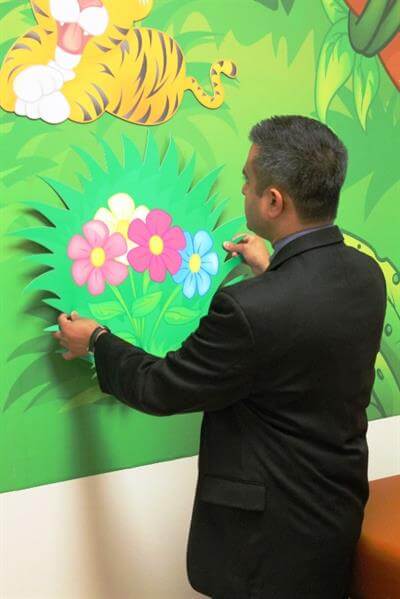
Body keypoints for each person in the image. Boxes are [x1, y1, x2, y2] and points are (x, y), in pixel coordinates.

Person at [54, 115, 386, 599]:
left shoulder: (250, 309)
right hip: (334, 514)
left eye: (249, 182)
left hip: (266, 542)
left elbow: (161, 386)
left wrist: (98, 339)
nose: (243, 189)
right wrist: (276, 271)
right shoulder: (365, 276)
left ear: (274, 201)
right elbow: (306, 326)